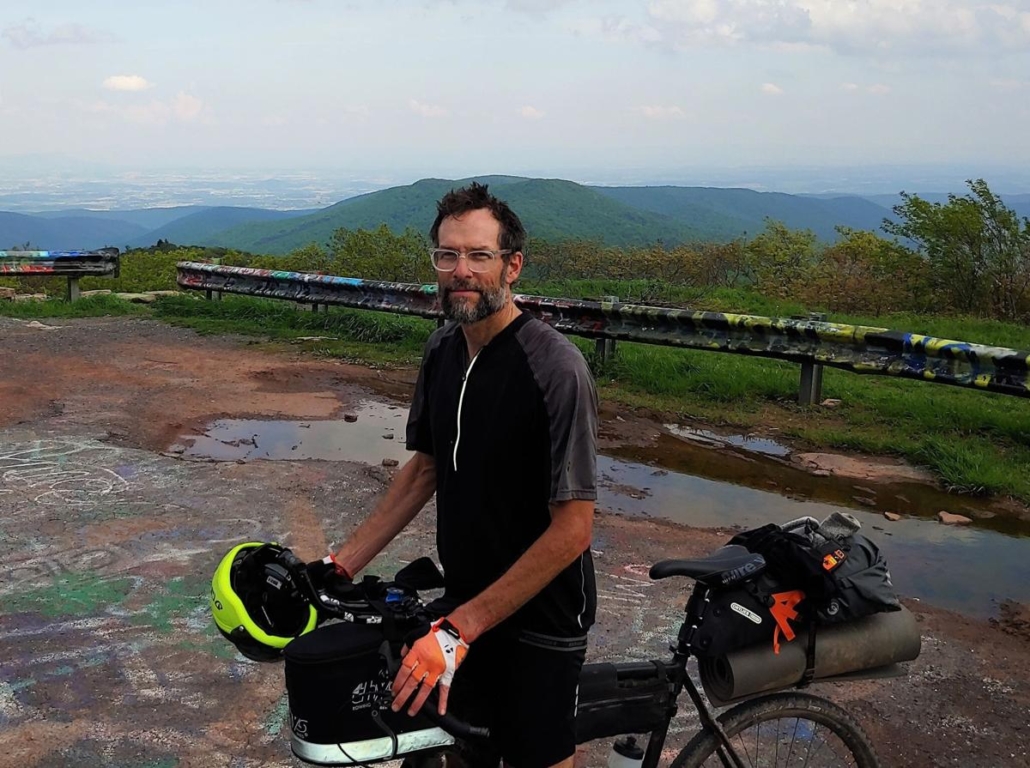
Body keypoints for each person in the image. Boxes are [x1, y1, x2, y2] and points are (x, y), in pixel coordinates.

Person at [330, 182, 598, 768]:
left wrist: (461, 629)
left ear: (513, 266)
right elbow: (424, 469)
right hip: (462, 604)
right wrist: (339, 565)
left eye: (479, 256)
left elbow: (574, 530)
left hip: (541, 618)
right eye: (447, 256)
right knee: (458, 752)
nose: (461, 271)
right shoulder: (443, 349)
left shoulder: (555, 369)